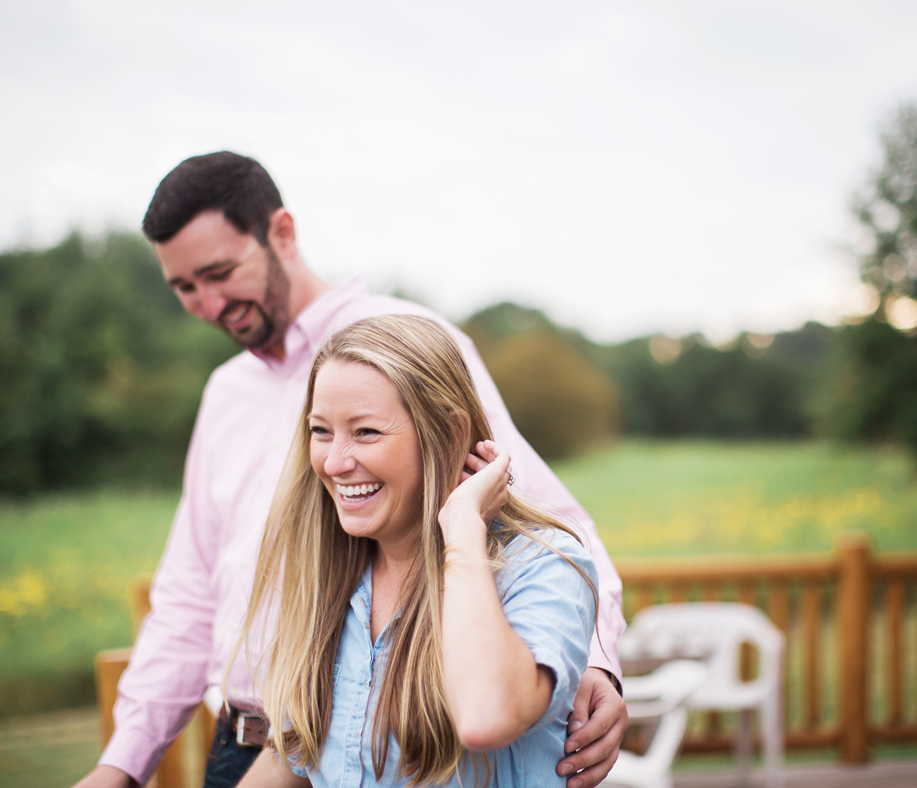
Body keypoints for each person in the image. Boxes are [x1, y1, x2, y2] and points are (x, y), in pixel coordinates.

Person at [75, 152, 628, 788]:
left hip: (406, 737)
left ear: (281, 232)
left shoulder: (410, 342)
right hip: (263, 745)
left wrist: (588, 660)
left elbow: (536, 516)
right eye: (184, 288)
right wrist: (122, 764)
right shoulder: (225, 394)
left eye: (220, 273)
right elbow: (189, 594)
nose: (208, 303)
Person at [237, 314, 597, 788]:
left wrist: (464, 528)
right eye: (321, 431)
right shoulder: (330, 575)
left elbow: (487, 717)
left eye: (365, 432)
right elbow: (298, 750)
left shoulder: (542, 566)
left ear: (449, 434)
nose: (335, 461)